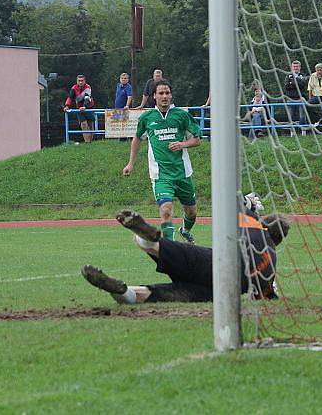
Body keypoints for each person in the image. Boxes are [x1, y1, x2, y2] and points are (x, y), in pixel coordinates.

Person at [81, 204, 290, 303]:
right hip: (219, 292)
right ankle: (125, 292)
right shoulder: (271, 260)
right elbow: (265, 298)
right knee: (153, 295)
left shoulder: (252, 221)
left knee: (158, 248)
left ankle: (145, 236)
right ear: (278, 241)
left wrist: (250, 204)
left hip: (218, 263)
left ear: (265, 222)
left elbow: (234, 203)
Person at [123, 79, 201, 243]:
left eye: (167, 93)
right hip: (161, 175)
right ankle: (171, 249)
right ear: (154, 96)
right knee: (166, 210)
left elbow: (196, 140)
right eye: (161, 93)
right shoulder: (147, 118)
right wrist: (131, 163)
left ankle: (185, 230)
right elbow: (137, 138)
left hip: (182, 173)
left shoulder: (181, 116)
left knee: (191, 212)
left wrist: (182, 144)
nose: (164, 96)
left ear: (171, 95)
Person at [64, 74, 95, 143]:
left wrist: (85, 106)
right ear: (77, 81)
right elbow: (70, 97)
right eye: (79, 81)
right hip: (79, 109)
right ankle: (87, 142)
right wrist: (67, 106)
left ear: (85, 81)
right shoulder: (74, 88)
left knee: (90, 125)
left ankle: (91, 142)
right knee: (83, 125)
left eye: (82, 81)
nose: (80, 82)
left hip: (89, 108)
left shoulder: (88, 87)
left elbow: (87, 97)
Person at [283, 60, 308, 129]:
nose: (295, 68)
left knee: (302, 116)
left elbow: (303, 85)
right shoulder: (288, 76)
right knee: (290, 116)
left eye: (297, 66)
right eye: (294, 66)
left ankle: (303, 131)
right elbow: (286, 87)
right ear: (291, 67)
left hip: (301, 98)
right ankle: (292, 132)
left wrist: (293, 81)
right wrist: (297, 83)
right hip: (290, 98)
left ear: (300, 67)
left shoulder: (303, 75)